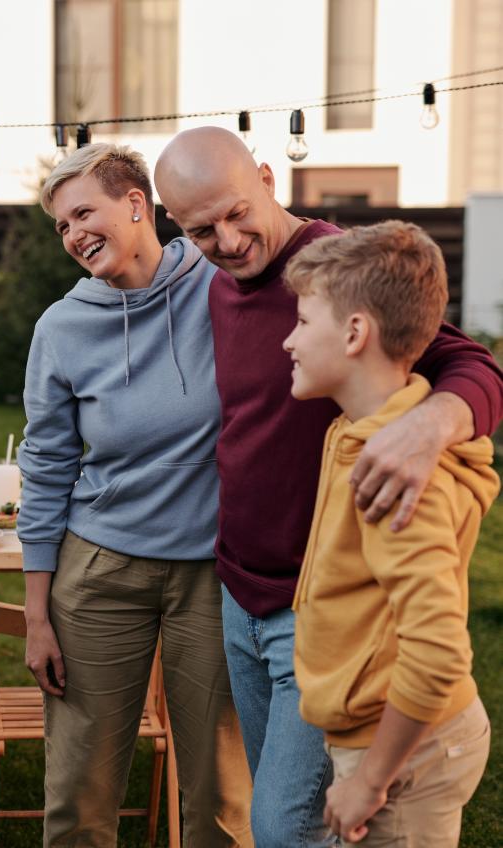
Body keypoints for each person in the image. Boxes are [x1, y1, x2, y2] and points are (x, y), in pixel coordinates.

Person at [153, 126, 503, 848]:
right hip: (239, 594)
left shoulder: (336, 276)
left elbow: (478, 366)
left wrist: (431, 422)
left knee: (284, 828)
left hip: (318, 615)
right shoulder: (218, 287)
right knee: (287, 815)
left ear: (266, 177)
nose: (227, 239)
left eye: (236, 211)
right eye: (200, 230)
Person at [18, 142, 252, 847]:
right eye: (61, 225)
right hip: (99, 571)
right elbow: (48, 464)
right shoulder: (60, 329)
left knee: (219, 790)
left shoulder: (222, 283)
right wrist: (36, 616)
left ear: (136, 205)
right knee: (79, 792)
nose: (73, 234)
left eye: (83, 212)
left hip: (213, 571)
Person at [283, 221, 497, 847]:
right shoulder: (363, 432)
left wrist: (370, 782)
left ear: (355, 333)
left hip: (403, 756)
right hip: (393, 738)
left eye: (301, 321)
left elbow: (437, 653)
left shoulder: (391, 475)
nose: (288, 341)